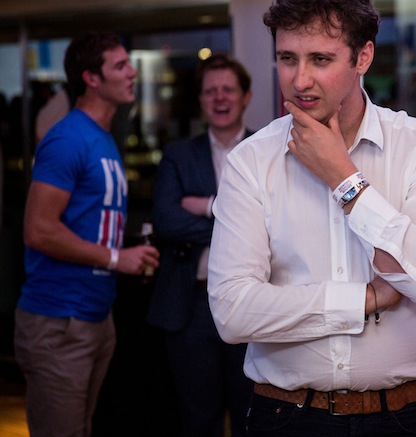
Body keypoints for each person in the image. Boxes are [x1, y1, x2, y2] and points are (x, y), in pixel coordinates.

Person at [206, 0, 416, 437]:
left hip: (403, 418)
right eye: (287, 58)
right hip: (285, 417)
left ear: (363, 56)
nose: (299, 80)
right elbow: (232, 311)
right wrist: (364, 299)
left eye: (320, 59)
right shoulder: (250, 161)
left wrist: (343, 178)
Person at [14, 31, 160, 437]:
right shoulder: (67, 138)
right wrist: (117, 258)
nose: (132, 72)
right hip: (58, 320)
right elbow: (38, 229)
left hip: (94, 316)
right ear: (91, 78)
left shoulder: (103, 138)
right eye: (120, 66)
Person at [146, 53, 254, 436]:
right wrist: (239, 220)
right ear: (201, 99)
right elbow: (167, 222)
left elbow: (277, 226)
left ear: (246, 97)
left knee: (251, 417)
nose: (219, 98)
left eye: (228, 90)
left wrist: (206, 206)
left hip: (253, 305)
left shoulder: (268, 150)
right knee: (198, 419)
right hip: (191, 305)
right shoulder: (178, 155)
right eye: (211, 91)